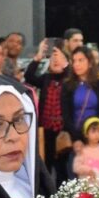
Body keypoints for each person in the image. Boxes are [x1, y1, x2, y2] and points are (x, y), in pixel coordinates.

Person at [25, 40, 70, 180]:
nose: (55, 61)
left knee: (63, 168)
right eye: (52, 58)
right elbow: (29, 76)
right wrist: (38, 56)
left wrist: (65, 65)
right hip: (46, 130)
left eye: (59, 58)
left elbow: (72, 76)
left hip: (63, 131)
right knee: (47, 165)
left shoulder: (69, 79)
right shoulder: (46, 78)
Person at [62, 47, 99, 161]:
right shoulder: (67, 86)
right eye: (74, 61)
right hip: (76, 138)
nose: (76, 64)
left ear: (90, 63)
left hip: (97, 137)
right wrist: (76, 138)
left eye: (81, 60)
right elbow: (66, 115)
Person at [73, 116, 99, 186]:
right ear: (86, 134)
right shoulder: (82, 150)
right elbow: (76, 167)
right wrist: (88, 170)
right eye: (93, 131)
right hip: (87, 188)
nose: (97, 134)